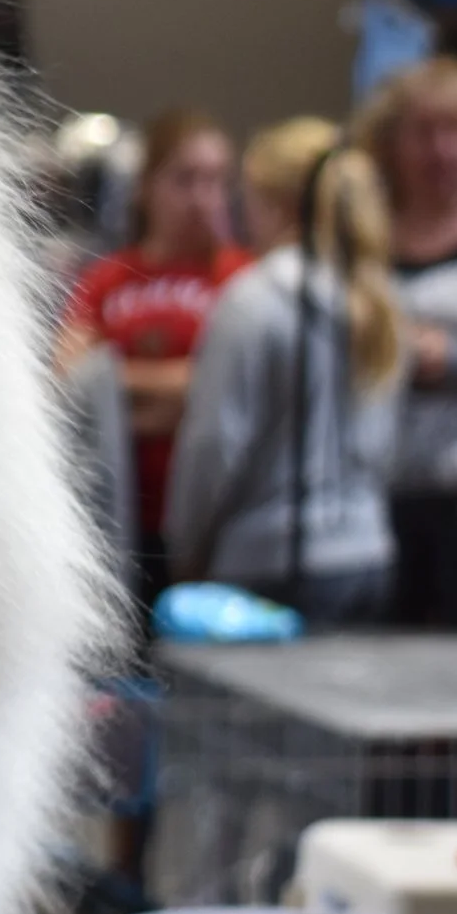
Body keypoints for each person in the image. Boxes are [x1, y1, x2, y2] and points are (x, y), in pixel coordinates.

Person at [164, 119, 401, 624]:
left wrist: (183, 544)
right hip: (369, 552)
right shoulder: (377, 296)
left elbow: (215, 444)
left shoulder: (254, 300)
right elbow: (385, 446)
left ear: (275, 203)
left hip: (270, 561)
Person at [54, 108, 252, 605]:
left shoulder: (241, 280)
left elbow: (223, 388)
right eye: (185, 179)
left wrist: (117, 384)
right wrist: (171, 393)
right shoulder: (108, 278)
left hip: (211, 522)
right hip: (118, 512)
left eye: (215, 181)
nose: (202, 198)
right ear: (145, 187)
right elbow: (69, 377)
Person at [357, 57, 457, 628]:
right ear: (392, 142)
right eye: (424, 132)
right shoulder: (367, 228)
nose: (441, 150)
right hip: (372, 499)